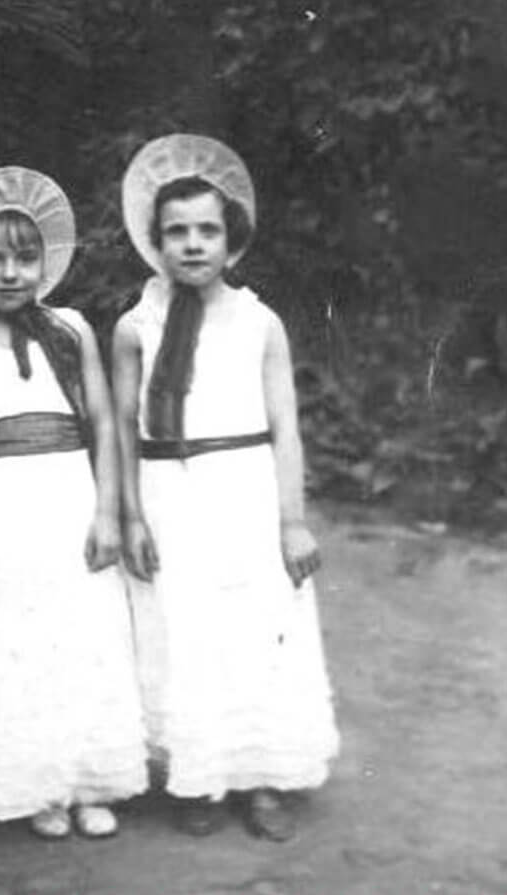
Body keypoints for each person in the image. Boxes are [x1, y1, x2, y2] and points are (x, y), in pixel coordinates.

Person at [112, 134, 340, 841]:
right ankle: (199, 776)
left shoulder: (257, 322)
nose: (191, 245)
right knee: (184, 635)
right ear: (154, 242)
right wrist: (129, 517)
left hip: (242, 489)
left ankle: (260, 776)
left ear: (230, 240)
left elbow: (284, 426)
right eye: (175, 232)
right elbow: (120, 429)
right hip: (167, 492)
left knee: (253, 630)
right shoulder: (134, 327)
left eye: (206, 230)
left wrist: (291, 520)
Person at [0, 167, 147, 839]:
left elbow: (105, 424)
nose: (9, 274)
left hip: (67, 495)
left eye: (24, 259)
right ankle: (39, 783)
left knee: (83, 636)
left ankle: (88, 778)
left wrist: (108, 509)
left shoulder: (72, 330)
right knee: (20, 641)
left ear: (46, 262)